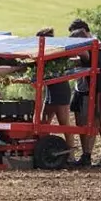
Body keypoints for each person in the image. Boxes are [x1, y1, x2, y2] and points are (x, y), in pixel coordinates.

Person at [67, 19, 101, 166]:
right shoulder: (98, 50)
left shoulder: (88, 52)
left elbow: (82, 56)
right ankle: (87, 156)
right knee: (95, 123)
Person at [36, 27, 75, 161]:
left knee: (64, 123)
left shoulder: (57, 53)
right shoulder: (44, 53)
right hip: (50, 91)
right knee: (43, 122)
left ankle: (71, 155)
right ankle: (44, 150)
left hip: (61, 91)